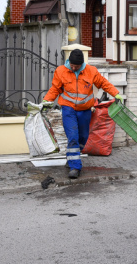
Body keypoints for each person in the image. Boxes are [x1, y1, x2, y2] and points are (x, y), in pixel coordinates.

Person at [42, 49, 124, 179]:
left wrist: (116, 93)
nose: (74, 68)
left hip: (85, 110)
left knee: (83, 137)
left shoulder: (91, 71)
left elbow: (103, 83)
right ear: (69, 62)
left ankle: (71, 158)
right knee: (73, 136)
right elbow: (54, 88)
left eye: (77, 66)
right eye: (72, 65)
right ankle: (75, 167)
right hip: (68, 109)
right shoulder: (61, 71)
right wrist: (46, 101)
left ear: (82, 64)